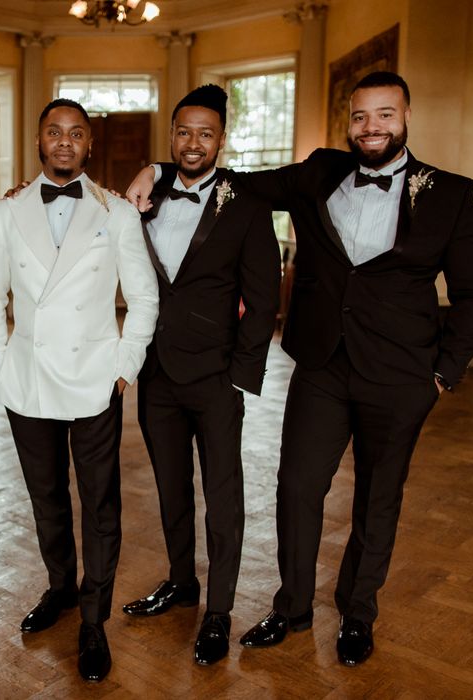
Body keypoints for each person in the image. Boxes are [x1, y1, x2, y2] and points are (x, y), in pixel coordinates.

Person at [126, 71, 473, 666]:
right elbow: (228, 183)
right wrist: (158, 169)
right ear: (349, 121)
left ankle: (357, 612)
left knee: (378, 498)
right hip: (321, 366)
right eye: (361, 117)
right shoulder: (318, 171)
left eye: (385, 115)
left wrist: (444, 372)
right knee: (296, 488)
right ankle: (292, 608)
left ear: (405, 118)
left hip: (402, 376)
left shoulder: (449, 193)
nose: (371, 128)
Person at [0, 98, 158, 682]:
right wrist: (0, 365)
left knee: (100, 502)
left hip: (95, 379)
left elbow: (144, 296)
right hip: (27, 377)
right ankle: (59, 587)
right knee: (47, 497)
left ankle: (93, 619)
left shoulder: (118, 213)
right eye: (53, 132)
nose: (64, 142)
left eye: (75, 133)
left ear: (88, 145)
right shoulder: (5, 213)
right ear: (38, 141)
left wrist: (124, 365)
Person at [120, 85, 281, 666]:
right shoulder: (147, 191)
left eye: (205, 133)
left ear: (221, 139)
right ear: (171, 138)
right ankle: (181, 581)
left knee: (223, 496)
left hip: (216, 377)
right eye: (183, 132)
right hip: (156, 373)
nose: (193, 143)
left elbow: (264, 299)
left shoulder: (246, 203)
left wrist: (241, 376)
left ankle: (218, 610)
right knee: (169, 490)